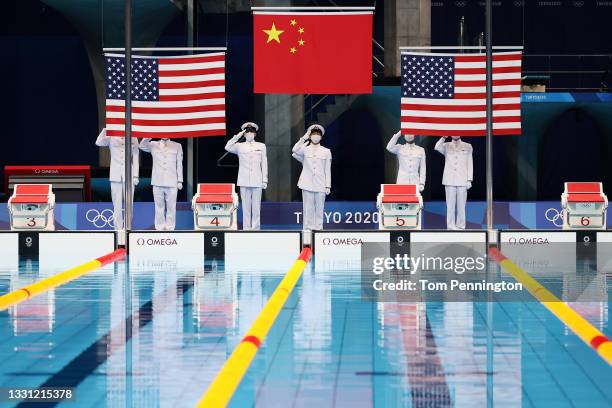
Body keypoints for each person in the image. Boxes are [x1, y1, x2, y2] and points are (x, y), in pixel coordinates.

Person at [225, 122, 268, 230]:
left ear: (255, 134)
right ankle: (247, 228)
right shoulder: (239, 146)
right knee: (246, 207)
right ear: (244, 134)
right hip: (244, 180)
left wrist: (265, 180)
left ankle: (256, 228)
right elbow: (228, 146)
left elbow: (264, 163)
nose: (249, 134)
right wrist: (238, 135)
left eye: (251, 132)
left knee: (256, 206)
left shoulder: (261, 146)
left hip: (257, 179)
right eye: (247, 132)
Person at [95, 128, 139, 230]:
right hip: (115, 175)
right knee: (117, 205)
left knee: (129, 204)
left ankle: (127, 227)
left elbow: (136, 156)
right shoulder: (111, 136)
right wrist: (105, 130)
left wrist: (136, 175)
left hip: (129, 175)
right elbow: (98, 142)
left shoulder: (133, 137)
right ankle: (118, 228)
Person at [292, 124, 332, 231]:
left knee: (319, 210)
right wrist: (304, 138)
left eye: (318, 134)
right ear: (310, 136)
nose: (316, 136)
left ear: (321, 136)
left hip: (320, 184)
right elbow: (295, 150)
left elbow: (327, 170)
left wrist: (328, 186)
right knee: (307, 209)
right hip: (306, 183)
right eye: (313, 134)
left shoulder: (326, 151)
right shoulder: (305, 149)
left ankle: (318, 230)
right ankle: (307, 231)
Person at [139, 138, 183, 231]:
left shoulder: (177, 145)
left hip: (172, 181)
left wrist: (180, 180)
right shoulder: (153, 144)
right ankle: (159, 227)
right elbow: (141, 145)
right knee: (159, 206)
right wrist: (149, 135)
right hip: (157, 181)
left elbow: (179, 164)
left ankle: (170, 228)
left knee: (171, 207)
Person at [434, 136, 473, 230]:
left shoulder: (468, 146)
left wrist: (469, 180)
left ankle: (461, 226)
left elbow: (470, 163)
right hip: (449, 179)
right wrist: (443, 137)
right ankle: (450, 226)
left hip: (462, 179)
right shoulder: (446, 145)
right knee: (450, 206)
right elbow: (436, 147)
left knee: (461, 206)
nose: (455, 134)